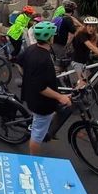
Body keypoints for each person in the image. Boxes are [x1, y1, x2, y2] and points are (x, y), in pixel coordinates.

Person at [18, 21, 71, 155]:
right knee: (37, 135)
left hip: (30, 94)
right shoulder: (43, 58)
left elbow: (19, 62)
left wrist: (27, 76)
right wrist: (60, 97)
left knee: (42, 123)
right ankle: (32, 159)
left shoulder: (31, 48)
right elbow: (41, 88)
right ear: (49, 38)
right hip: (41, 102)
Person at [71, 17, 98, 88]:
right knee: (83, 83)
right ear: (85, 26)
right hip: (77, 61)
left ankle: (79, 89)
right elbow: (90, 46)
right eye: (89, 26)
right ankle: (73, 96)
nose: (91, 28)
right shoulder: (81, 34)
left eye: (93, 26)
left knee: (84, 82)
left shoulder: (90, 35)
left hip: (83, 61)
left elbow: (89, 47)